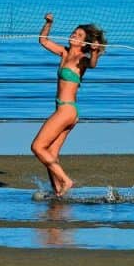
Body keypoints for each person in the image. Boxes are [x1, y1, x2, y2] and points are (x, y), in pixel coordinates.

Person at [31, 13, 106, 197]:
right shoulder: (63, 53)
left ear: (83, 43)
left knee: (37, 147)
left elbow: (93, 64)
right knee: (51, 153)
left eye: (79, 36)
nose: (74, 36)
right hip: (64, 110)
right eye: (74, 33)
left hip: (67, 110)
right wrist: (49, 23)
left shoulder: (81, 59)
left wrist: (95, 51)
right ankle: (58, 191)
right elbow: (43, 40)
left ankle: (65, 180)